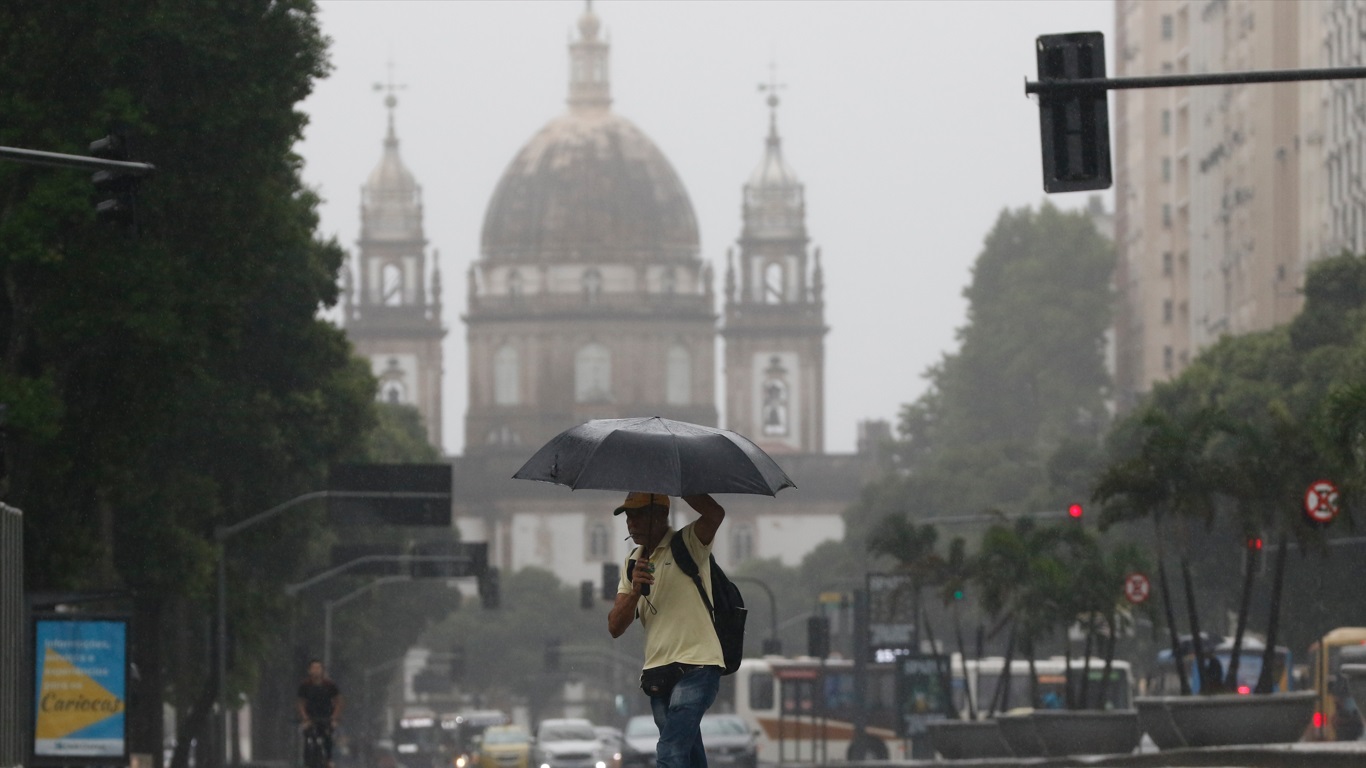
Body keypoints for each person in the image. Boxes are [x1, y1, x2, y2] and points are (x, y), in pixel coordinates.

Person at [608, 492, 725, 768]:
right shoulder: (632, 563)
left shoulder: (688, 543)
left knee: (670, 750)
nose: (631, 523)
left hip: (698, 666)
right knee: (691, 756)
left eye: (638, 515)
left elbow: (715, 515)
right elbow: (615, 626)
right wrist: (636, 589)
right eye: (628, 516)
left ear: (660, 515)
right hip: (658, 672)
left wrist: (683, 485)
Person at [297, 659, 343, 768]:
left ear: (322, 670)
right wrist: (305, 718)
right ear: (309, 670)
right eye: (313, 668)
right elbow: (301, 704)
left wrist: (334, 718)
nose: (316, 671)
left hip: (326, 717)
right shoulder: (305, 686)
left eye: (318, 668)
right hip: (310, 718)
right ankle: (306, 761)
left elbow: (338, 702)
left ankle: (329, 760)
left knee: (327, 736)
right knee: (308, 737)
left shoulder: (330, 685)